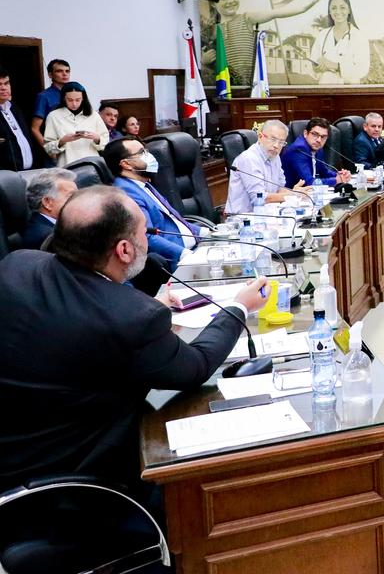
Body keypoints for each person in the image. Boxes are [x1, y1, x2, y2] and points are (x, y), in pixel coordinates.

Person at [0, 185, 267, 496]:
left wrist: (141, 306)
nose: (149, 238)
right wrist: (240, 306)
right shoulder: (132, 319)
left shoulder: (16, 263)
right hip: (71, 481)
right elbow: (196, 366)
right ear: (124, 250)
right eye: (144, 231)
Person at [209, 0, 320, 86]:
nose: (230, 0)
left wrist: (303, 7)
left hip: (250, 85)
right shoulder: (213, 30)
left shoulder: (246, 18)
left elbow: (274, 13)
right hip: (226, 87)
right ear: (213, 3)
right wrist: (204, 61)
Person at [104, 137, 198, 269]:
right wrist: (184, 254)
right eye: (142, 152)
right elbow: (146, 235)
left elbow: (173, 218)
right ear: (126, 164)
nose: (149, 155)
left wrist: (206, 232)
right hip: (177, 261)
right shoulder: (126, 192)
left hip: (194, 248)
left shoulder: (143, 184)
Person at [226, 119, 310, 215]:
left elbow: (279, 189)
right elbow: (259, 198)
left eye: (281, 142)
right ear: (260, 137)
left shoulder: (275, 156)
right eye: (273, 139)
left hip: (266, 214)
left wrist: (296, 192)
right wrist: (293, 195)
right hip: (243, 218)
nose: (276, 146)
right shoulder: (249, 159)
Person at [42, 81, 108, 165]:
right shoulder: (53, 116)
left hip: (92, 164)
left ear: (83, 98)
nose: (74, 104)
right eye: (70, 100)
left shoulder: (93, 115)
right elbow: (48, 148)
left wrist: (97, 138)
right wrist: (62, 141)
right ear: (63, 98)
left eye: (78, 100)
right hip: (67, 165)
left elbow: (105, 141)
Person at [311, 0, 369, 85]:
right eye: (334, 8)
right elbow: (313, 63)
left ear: (349, 10)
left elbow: (362, 69)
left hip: (349, 93)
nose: (338, 12)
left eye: (342, 7)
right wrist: (316, 67)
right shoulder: (322, 35)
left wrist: (335, 66)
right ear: (329, 12)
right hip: (325, 91)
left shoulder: (359, 36)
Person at [281, 117, 352, 187]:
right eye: (315, 134)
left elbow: (324, 172)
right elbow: (308, 182)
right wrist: (336, 180)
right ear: (305, 133)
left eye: (323, 136)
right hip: (291, 194)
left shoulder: (317, 148)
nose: (319, 140)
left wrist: (340, 175)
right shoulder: (298, 150)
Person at [20, 168, 76, 249]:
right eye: (72, 196)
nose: (79, 199)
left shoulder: (58, 226)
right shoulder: (49, 238)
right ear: (47, 202)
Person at [0, 66, 37, 172]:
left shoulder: (15, 108)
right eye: (0, 84)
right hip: (5, 177)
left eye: (6, 83)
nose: (4, 88)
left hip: (28, 171)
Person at [30, 58, 72, 149]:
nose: (64, 74)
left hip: (74, 148)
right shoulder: (44, 97)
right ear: (50, 75)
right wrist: (49, 150)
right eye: (59, 71)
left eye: (67, 71)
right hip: (55, 148)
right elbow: (34, 128)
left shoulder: (74, 95)